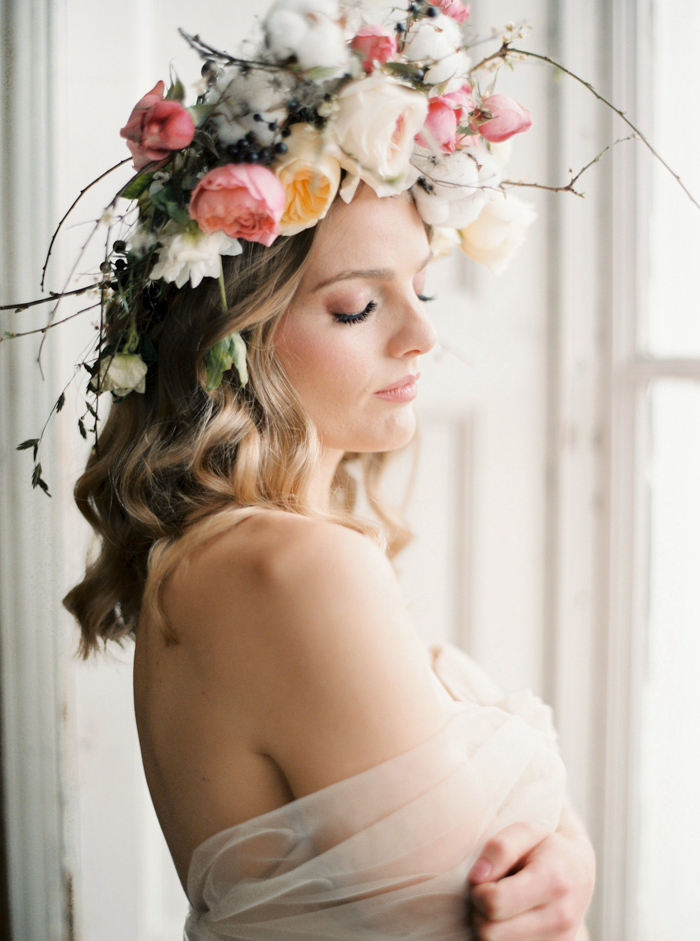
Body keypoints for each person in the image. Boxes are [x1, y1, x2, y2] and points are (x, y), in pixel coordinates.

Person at [55, 1, 595, 937]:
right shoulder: (292, 568)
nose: (422, 335)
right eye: (356, 307)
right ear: (234, 339)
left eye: (421, 288)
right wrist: (563, 853)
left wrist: (566, 858)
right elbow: (463, 917)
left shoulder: (221, 560)